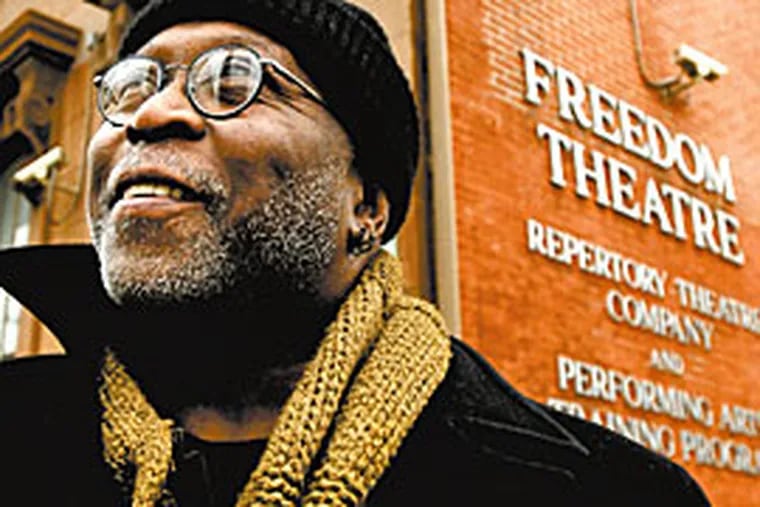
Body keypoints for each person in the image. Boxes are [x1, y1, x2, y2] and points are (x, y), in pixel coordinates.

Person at [0, 0, 710, 505]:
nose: (151, 115)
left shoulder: (610, 492)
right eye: (132, 87)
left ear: (365, 207)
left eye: (232, 81)